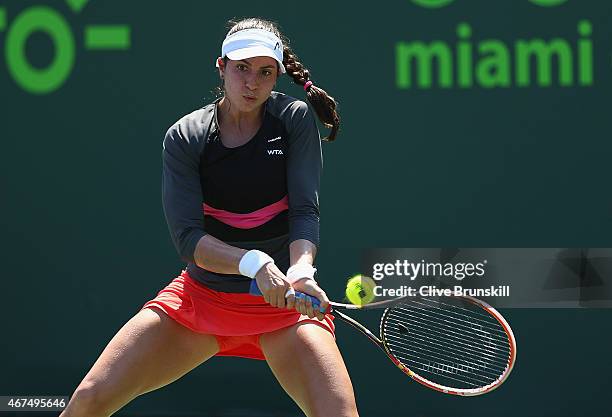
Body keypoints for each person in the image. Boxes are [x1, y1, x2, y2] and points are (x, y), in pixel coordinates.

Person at [60, 17, 359, 417]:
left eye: (265, 72)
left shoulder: (293, 120)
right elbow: (188, 240)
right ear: (221, 67)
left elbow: (305, 209)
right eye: (241, 69)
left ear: (277, 76)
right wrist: (255, 263)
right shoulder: (186, 137)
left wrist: (302, 270)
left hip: (283, 310)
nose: (252, 83)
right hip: (201, 301)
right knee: (88, 402)